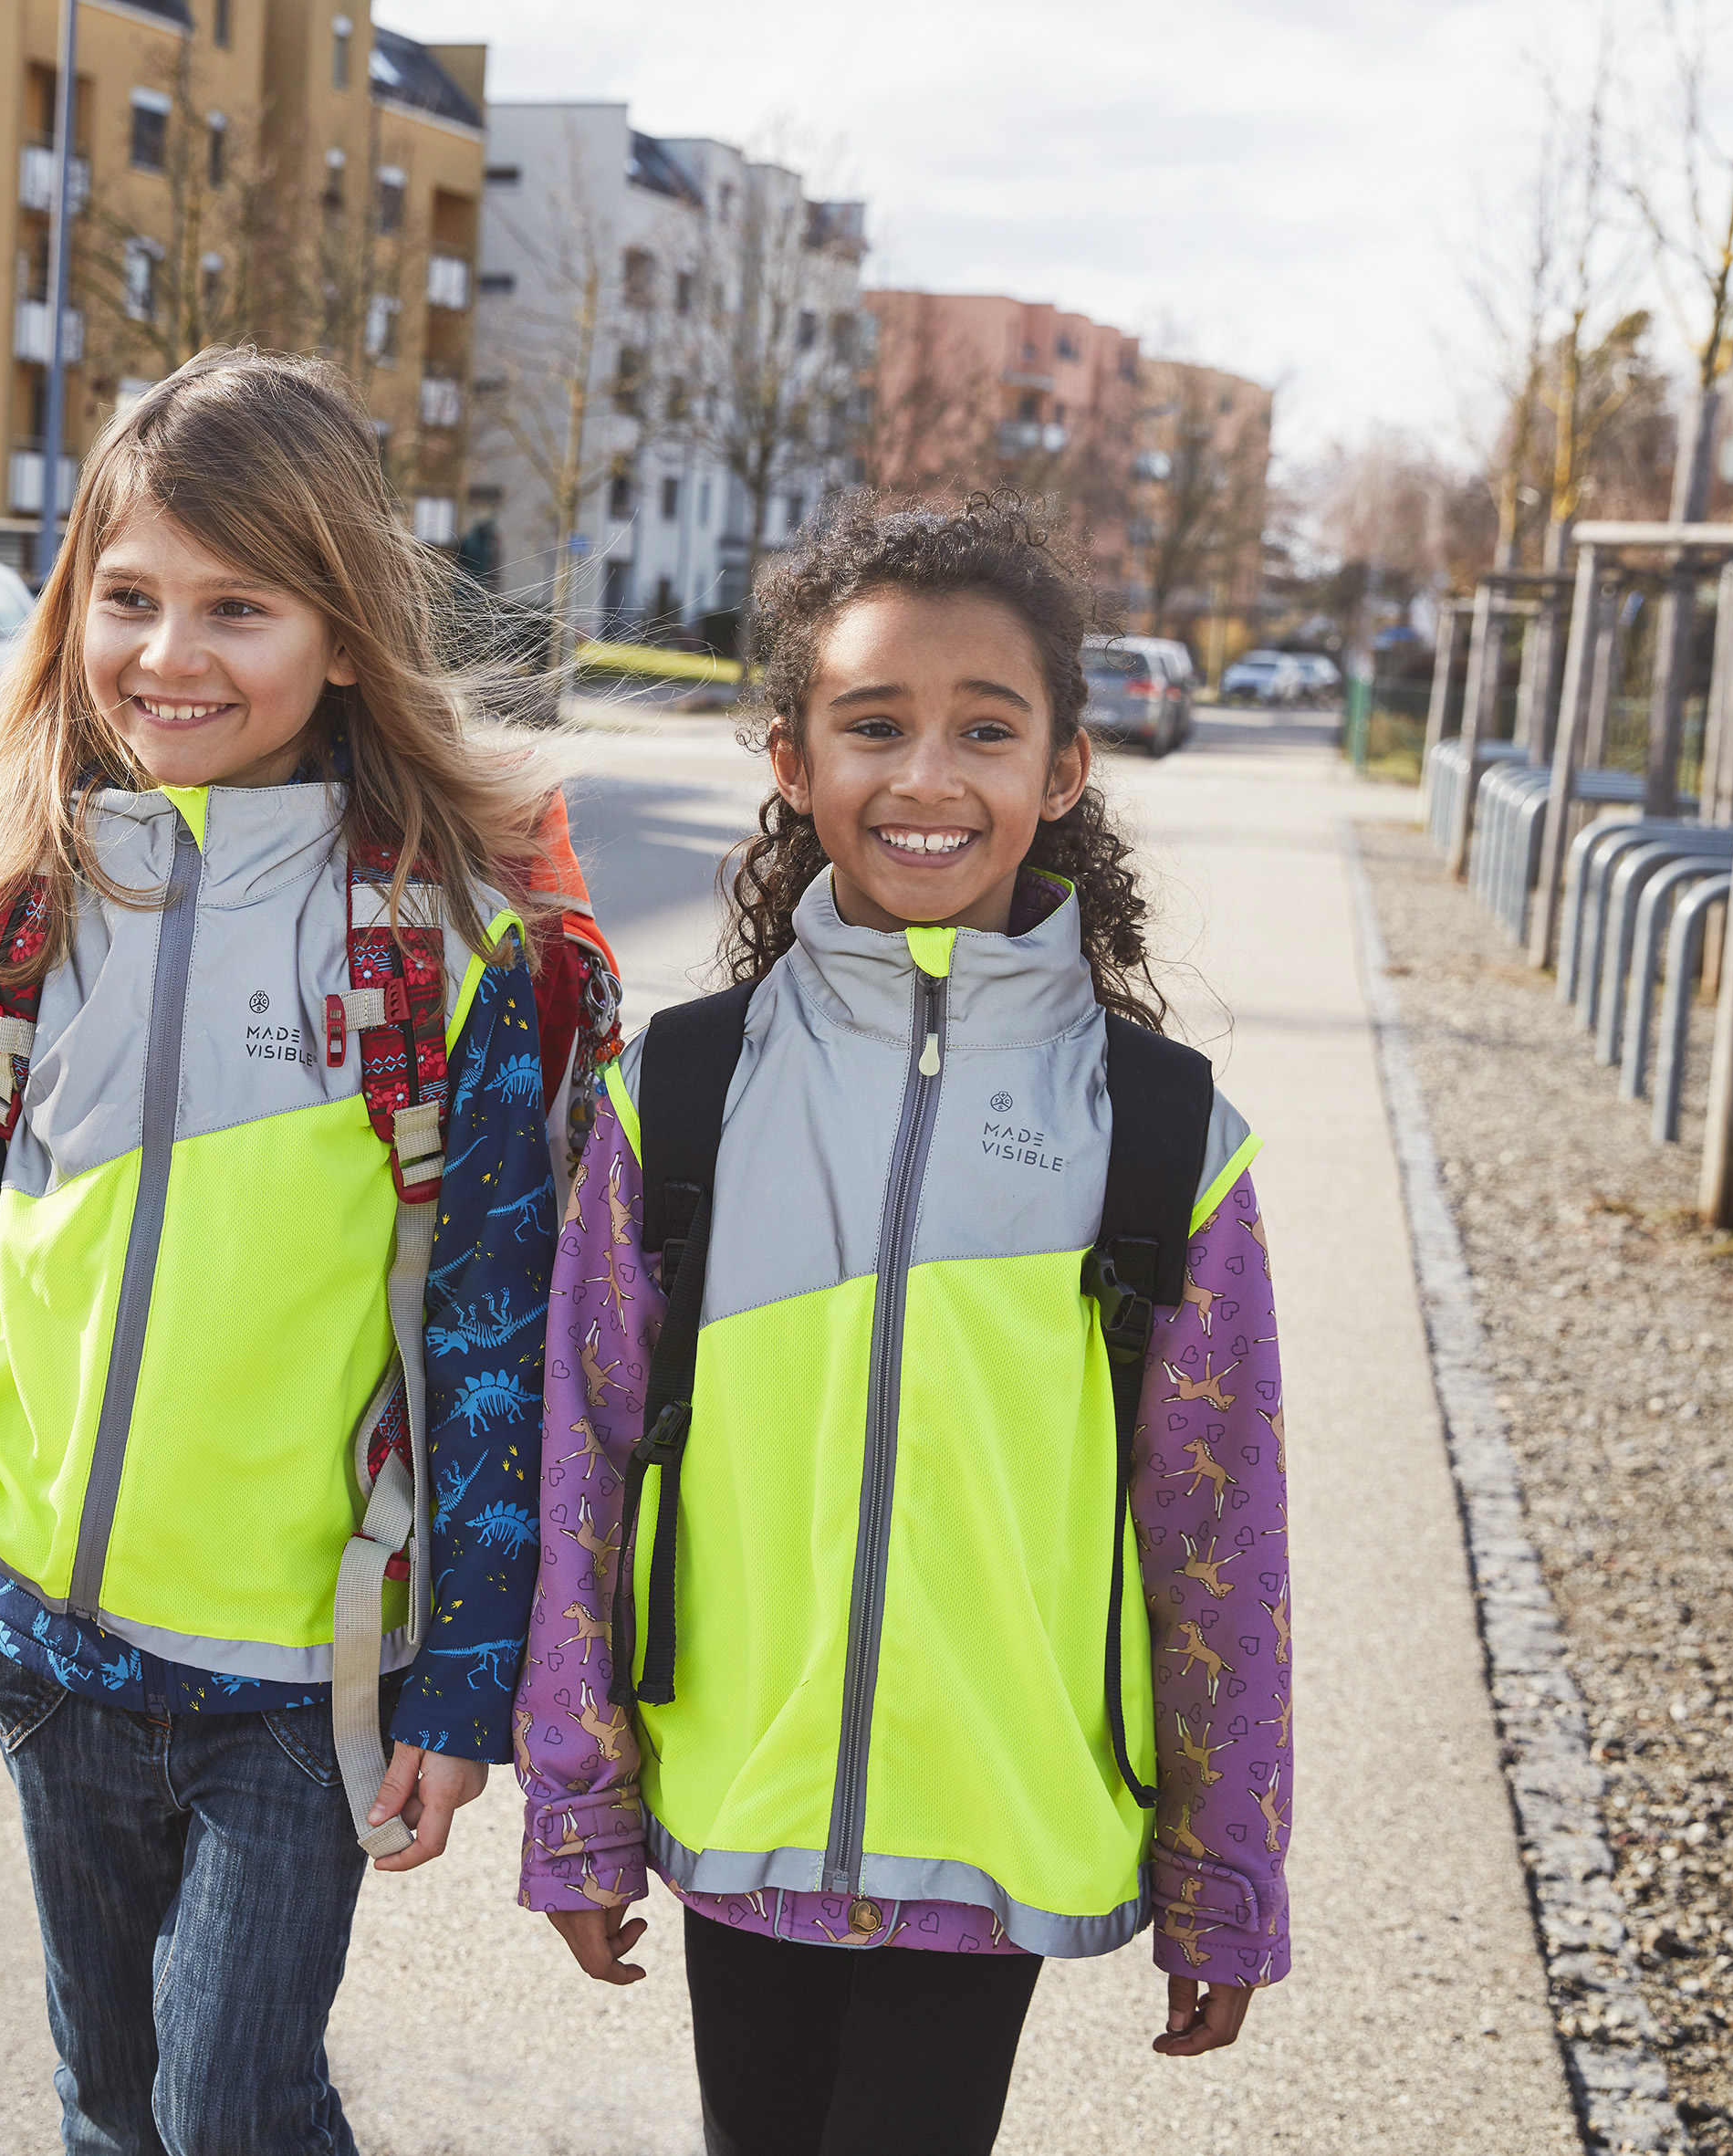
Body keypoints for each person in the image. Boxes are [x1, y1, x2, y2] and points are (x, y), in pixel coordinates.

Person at [0, 348, 571, 2155]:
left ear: (341, 634)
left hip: (300, 1671)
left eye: (235, 606)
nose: (168, 654)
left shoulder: (450, 952)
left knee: (229, 2101)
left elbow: (498, 1340)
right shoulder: (12, 909)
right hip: (44, 1635)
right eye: (127, 598)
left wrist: (463, 1678)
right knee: (109, 2096)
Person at [514, 496, 1291, 2156]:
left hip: (999, 1819)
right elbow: (583, 1449)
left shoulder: (1160, 1131)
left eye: (984, 730)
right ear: (791, 756)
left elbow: (1220, 1525)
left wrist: (1225, 1871)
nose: (928, 777)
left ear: (1063, 769)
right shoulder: (691, 1090)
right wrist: (578, 1805)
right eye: (875, 725)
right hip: (739, 1794)